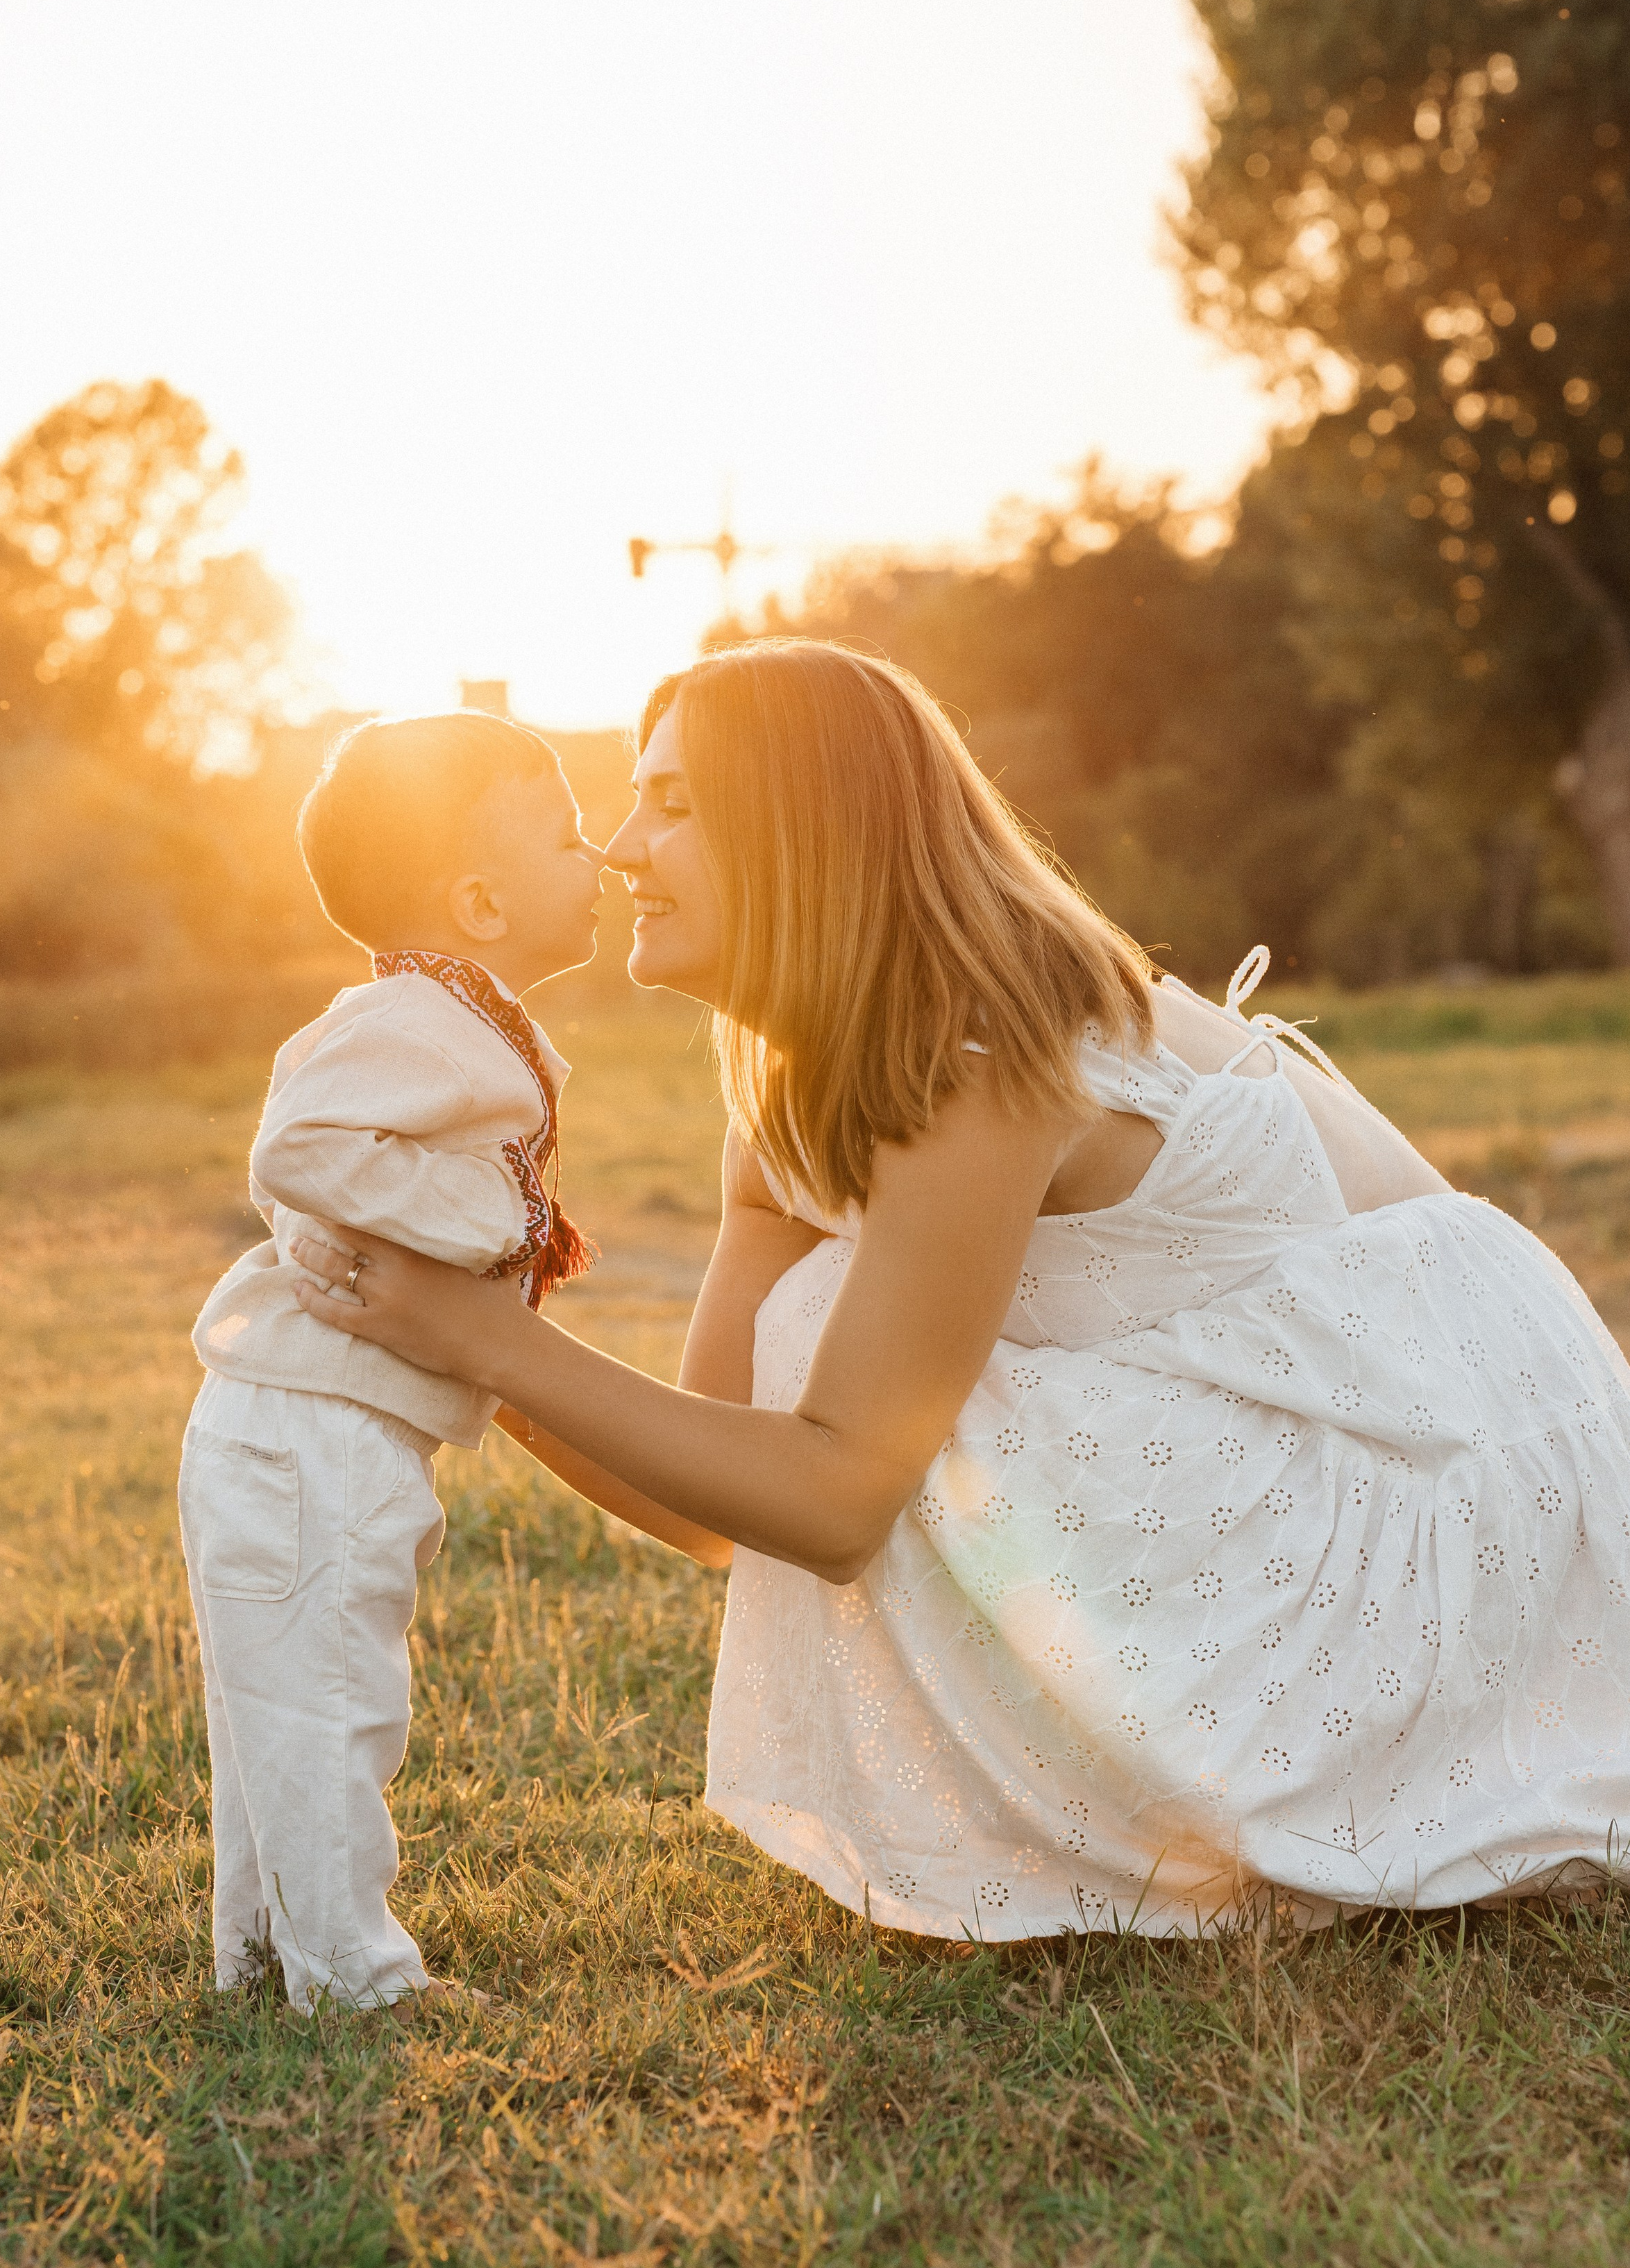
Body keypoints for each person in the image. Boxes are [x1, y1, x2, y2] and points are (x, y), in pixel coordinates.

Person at [289, 642, 1630, 1942]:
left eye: (674, 805)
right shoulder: (791, 1092)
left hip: (1461, 1489)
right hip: (1327, 1431)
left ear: (805, 832)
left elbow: (829, 1500)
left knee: (846, 1369)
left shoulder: (976, 1043)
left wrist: (474, 1333)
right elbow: (718, 1507)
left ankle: (1330, 1777)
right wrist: (484, 1340)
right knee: (816, 1339)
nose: (624, 845)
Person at [182, 709, 653, 2011]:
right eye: (570, 835)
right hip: (307, 1426)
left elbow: (315, 1171)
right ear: (482, 898)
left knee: (279, 1705)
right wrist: (493, 1225)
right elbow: (297, 1150)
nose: (603, 856)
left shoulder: (456, 1018)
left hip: (321, 1423)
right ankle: (356, 1981)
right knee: (326, 1702)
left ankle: (261, 1954)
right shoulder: (413, 1017)